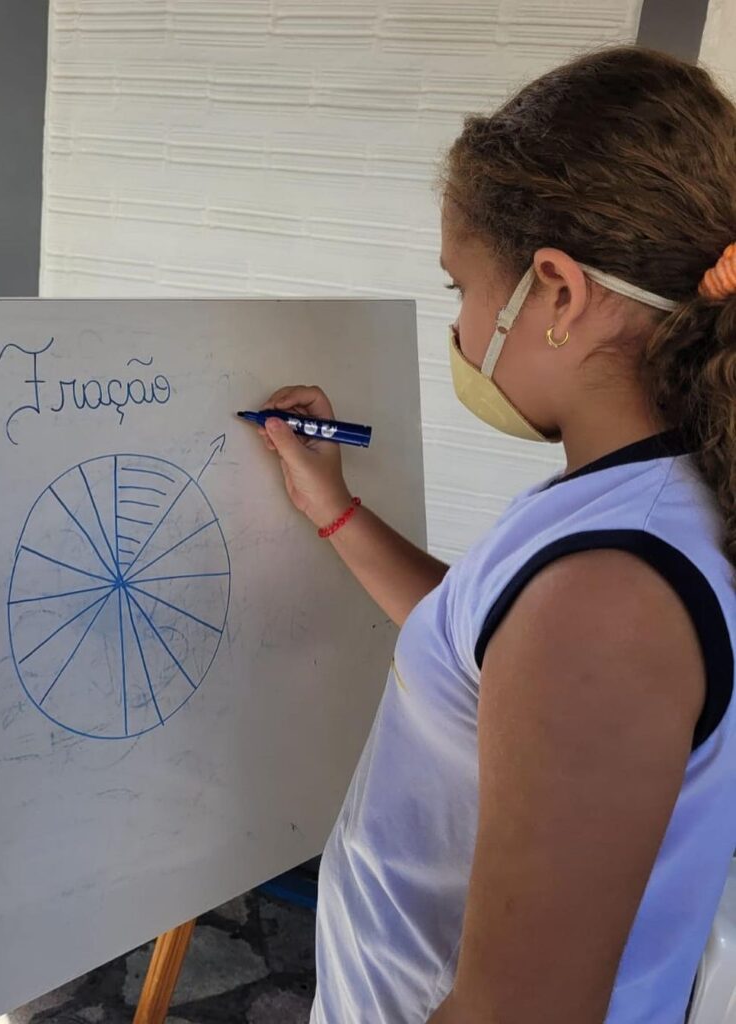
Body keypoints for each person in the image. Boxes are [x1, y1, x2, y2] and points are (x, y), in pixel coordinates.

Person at [245, 46, 736, 1023]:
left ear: (555, 291)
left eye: (459, 289)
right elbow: (488, 656)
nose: (463, 333)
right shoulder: (640, 502)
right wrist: (335, 508)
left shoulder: (609, 596)